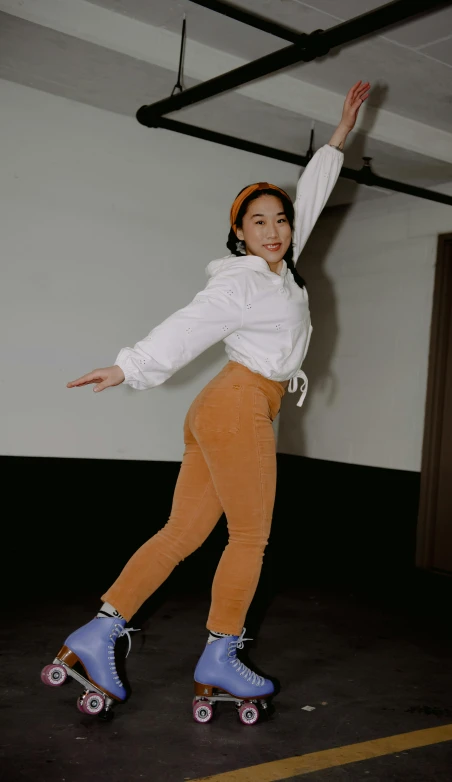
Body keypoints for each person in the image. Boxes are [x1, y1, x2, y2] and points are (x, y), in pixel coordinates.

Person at [41, 81, 371, 719]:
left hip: (224, 408)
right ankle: (222, 652)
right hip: (239, 404)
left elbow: (312, 195)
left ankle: (99, 632)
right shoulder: (243, 283)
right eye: (259, 223)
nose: (274, 230)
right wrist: (129, 367)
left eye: (280, 220)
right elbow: (187, 325)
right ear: (240, 234)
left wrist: (337, 138)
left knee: (182, 533)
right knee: (250, 536)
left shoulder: (284, 266)